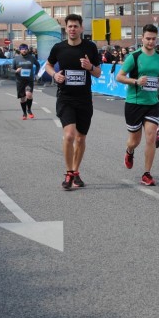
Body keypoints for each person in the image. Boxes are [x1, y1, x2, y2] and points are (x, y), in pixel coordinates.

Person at [45, 14, 101, 190]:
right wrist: (55, 75)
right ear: (66, 28)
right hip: (65, 98)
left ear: (81, 28)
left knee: (81, 138)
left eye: (75, 26)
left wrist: (90, 67)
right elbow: (47, 65)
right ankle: (69, 172)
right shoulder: (58, 48)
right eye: (69, 26)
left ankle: (76, 171)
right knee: (69, 135)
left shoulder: (90, 47)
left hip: (84, 99)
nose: (72, 29)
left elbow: (98, 72)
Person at [116, 24, 159, 186]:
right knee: (134, 141)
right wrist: (136, 81)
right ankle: (129, 151)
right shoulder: (134, 56)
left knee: (151, 137)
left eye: (153, 39)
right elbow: (119, 76)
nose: (151, 42)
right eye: (148, 38)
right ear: (142, 38)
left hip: (152, 102)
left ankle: (147, 173)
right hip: (134, 102)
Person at [13, 43, 40, 119]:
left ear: (27, 49)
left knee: (29, 95)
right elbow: (12, 69)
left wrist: (36, 74)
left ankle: (29, 110)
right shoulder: (16, 59)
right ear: (20, 50)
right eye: (22, 49)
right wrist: (16, 71)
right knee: (23, 98)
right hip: (20, 81)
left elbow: (38, 65)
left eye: (25, 49)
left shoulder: (32, 58)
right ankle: (24, 113)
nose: (24, 50)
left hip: (29, 80)